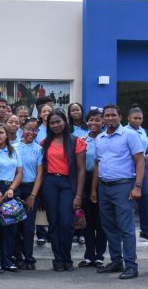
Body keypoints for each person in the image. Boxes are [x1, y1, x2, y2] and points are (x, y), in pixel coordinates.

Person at [91, 104, 144, 279]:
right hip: (104, 187)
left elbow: (140, 161)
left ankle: (131, 265)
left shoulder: (130, 135)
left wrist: (137, 186)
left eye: (113, 115)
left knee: (126, 228)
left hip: (123, 186)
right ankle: (116, 261)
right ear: (103, 118)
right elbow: (98, 164)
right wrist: (94, 189)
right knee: (108, 226)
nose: (110, 118)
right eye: (107, 115)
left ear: (120, 117)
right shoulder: (100, 138)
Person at [38, 110, 86, 271]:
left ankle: (67, 257)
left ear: (65, 122)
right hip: (50, 182)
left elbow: (81, 170)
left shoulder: (76, 142)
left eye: (58, 121)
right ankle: (58, 259)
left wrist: (78, 195)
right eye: (52, 123)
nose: (56, 125)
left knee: (66, 222)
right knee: (53, 223)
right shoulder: (45, 143)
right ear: (48, 125)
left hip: (68, 183)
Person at [0, 125, 23, 272]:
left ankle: (7, 260)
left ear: (7, 135)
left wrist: (11, 189)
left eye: (1, 133)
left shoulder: (14, 151)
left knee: (10, 229)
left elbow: (19, 172)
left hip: (11, 190)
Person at [13, 118, 44, 270]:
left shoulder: (38, 149)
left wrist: (33, 195)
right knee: (16, 224)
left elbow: (39, 174)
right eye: (28, 129)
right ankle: (17, 256)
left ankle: (29, 258)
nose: (31, 132)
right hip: (16, 189)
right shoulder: (13, 147)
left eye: (34, 130)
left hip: (31, 189)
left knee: (28, 226)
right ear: (22, 130)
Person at [78, 109, 106, 268]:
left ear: (103, 122)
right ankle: (89, 256)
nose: (93, 123)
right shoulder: (81, 140)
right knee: (87, 220)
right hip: (86, 180)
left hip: (103, 180)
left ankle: (100, 255)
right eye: (90, 120)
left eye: (97, 120)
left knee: (102, 221)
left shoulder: (105, 139)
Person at [127, 106, 148, 240]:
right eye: (135, 118)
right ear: (128, 118)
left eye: (140, 118)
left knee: (146, 197)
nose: (137, 121)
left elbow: (147, 149)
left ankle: (145, 229)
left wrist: (146, 156)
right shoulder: (124, 131)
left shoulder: (145, 131)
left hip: (144, 167)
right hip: (129, 168)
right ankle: (127, 229)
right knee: (128, 198)